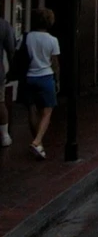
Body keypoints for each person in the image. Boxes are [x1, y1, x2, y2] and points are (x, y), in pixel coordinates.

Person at [24, 8, 60, 159]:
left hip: (30, 76)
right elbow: (55, 63)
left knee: (32, 109)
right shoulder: (52, 40)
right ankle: (37, 140)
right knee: (47, 111)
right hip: (45, 76)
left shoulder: (27, 38)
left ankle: (38, 144)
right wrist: (57, 79)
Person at [0, 15, 15, 147]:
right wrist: (12, 70)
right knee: (0, 102)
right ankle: (4, 135)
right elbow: (11, 50)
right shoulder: (4, 25)